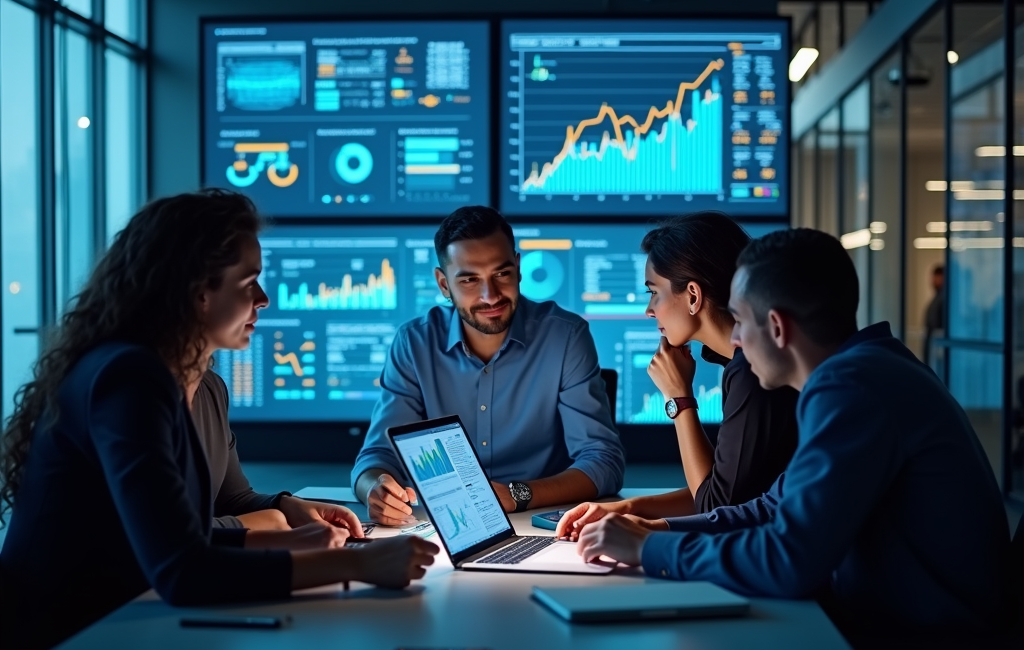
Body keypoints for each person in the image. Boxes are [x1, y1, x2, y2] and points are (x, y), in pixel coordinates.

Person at [0, 191, 438, 650]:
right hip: (68, 646)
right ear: (196, 290)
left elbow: (212, 514)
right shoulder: (130, 379)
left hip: (130, 622)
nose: (263, 299)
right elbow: (182, 570)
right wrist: (358, 566)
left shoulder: (198, 381)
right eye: (249, 282)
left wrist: (288, 520)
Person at [575, 228, 1010, 636]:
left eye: (741, 321)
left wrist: (649, 551)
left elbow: (790, 559)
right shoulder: (869, 369)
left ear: (779, 328)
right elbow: (768, 507)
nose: (737, 341)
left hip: (931, 649)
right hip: (912, 623)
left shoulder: (851, 389)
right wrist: (657, 531)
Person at [352, 206, 625, 525]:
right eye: (469, 280)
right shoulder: (414, 343)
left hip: (541, 522)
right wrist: (375, 489)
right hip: (443, 525)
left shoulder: (565, 337)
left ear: (519, 268)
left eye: (502, 274)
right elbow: (376, 458)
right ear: (443, 284)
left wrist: (517, 493)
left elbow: (604, 462)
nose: (490, 295)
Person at [555, 213, 799, 540]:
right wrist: (627, 508)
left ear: (694, 296)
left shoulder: (751, 372)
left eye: (654, 292)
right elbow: (726, 489)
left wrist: (678, 398)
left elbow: (715, 504)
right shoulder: (743, 365)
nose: (649, 310)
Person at [190, 367, 371, 548]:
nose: (252, 335)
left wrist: (284, 506)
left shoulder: (210, 385)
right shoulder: (163, 398)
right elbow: (167, 536)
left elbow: (231, 500)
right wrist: (259, 523)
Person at [923, 264, 945, 368]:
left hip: (938, 345)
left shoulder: (944, 299)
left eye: (936, 277)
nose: (933, 280)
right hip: (933, 343)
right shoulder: (937, 299)